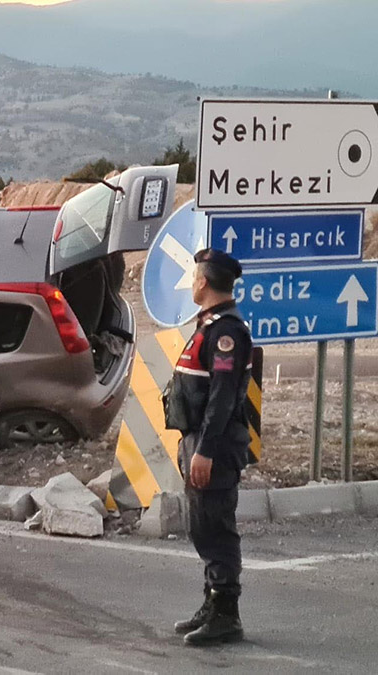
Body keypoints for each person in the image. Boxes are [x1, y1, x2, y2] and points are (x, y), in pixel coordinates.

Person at [164, 248, 253, 646]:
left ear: (203, 282)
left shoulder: (226, 332)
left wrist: (206, 451)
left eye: (194, 277)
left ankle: (226, 615)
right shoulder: (211, 325)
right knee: (202, 524)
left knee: (215, 527)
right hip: (198, 439)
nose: (192, 283)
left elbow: (222, 397)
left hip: (212, 444)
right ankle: (211, 603)